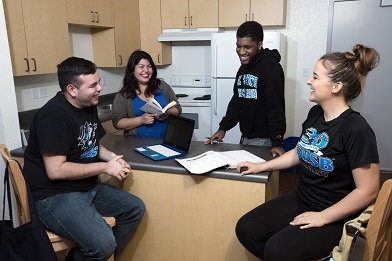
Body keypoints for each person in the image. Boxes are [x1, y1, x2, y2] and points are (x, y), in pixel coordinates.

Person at [235, 44, 381, 260]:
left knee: (276, 251)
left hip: (336, 215)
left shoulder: (355, 129)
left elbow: (368, 191)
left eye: (315, 77)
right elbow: (298, 152)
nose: (308, 81)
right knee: (246, 230)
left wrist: (323, 217)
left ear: (336, 86)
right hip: (303, 199)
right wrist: (261, 166)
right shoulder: (316, 113)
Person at [23, 57, 145, 261]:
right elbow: (56, 170)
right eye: (93, 84)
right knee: (104, 244)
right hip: (53, 196)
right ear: (72, 89)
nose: (99, 88)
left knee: (134, 209)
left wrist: (113, 158)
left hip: (85, 188)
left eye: (99, 82)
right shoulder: (53, 116)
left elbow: (92, 144)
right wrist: (106, 167)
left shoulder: (87, 104)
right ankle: (97, 251)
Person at [206, 21, 286, 157]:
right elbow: (237, 101)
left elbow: (275, 106)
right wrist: (223, 128)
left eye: (247, 47)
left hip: (264, 141)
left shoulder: (270, 67)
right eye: (238, 46)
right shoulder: (244, 68)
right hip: (246, 138)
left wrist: (276, 142)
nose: (241, 52)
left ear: (260, 44)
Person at [112, 50, 181, 138]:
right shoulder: (123, 95)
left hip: (166, 141)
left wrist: (167, 113)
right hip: (137, 143)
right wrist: (141, 120)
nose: (146, 70)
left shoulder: (162, 86)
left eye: (149, 66)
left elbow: (178, 109)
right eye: (141, 67)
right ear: (132, 70)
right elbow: (117, 122)